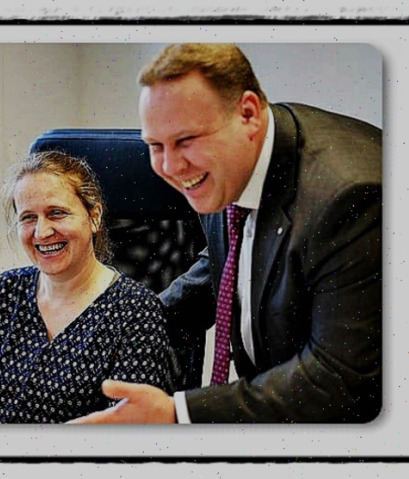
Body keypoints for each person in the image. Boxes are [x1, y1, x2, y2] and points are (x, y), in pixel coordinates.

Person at [69, 43, 382, 424]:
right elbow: (229, 259)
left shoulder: (349, 198)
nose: (171, 167)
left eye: (186, 141)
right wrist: (123, 326)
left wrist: (178, 413)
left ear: (247, 114)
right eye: (155, 146)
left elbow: (338, 380)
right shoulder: (229, 164)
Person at [0, 151, 174, 424]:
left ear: (94, 216)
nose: (42, 232)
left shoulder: (135, 312)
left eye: (57, 213)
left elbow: (129, 437)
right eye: (28, 218)